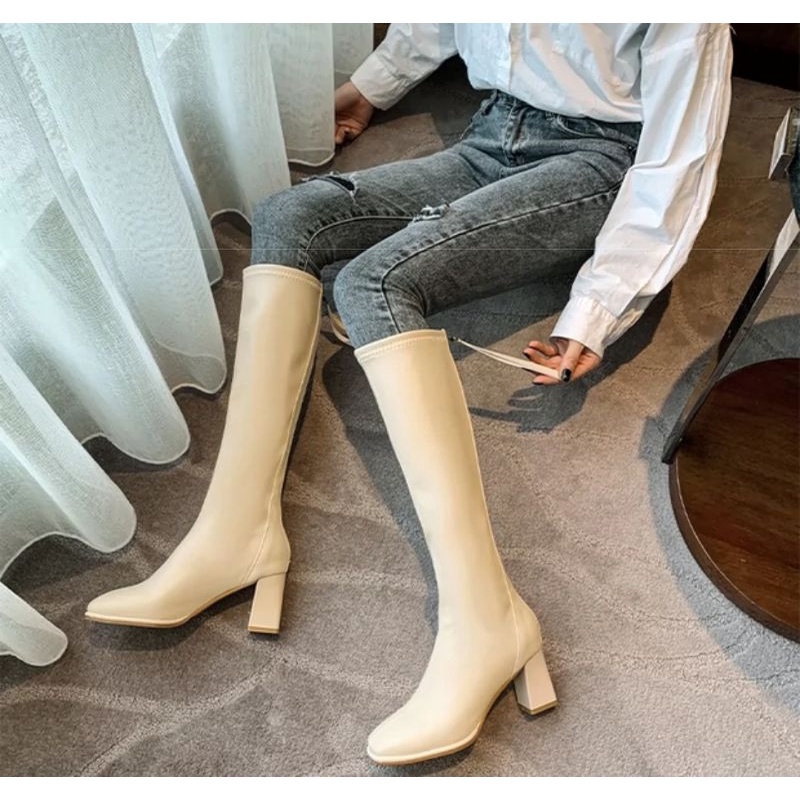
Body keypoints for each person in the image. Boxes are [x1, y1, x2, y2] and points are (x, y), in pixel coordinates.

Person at [86, 24, 734, 766]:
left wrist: (598, 309)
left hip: (600, 159)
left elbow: (680, 157)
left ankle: (487, 618)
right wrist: (371, 87)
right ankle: (235, 534)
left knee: (374, 283)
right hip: (492, 130)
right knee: (287, 217)